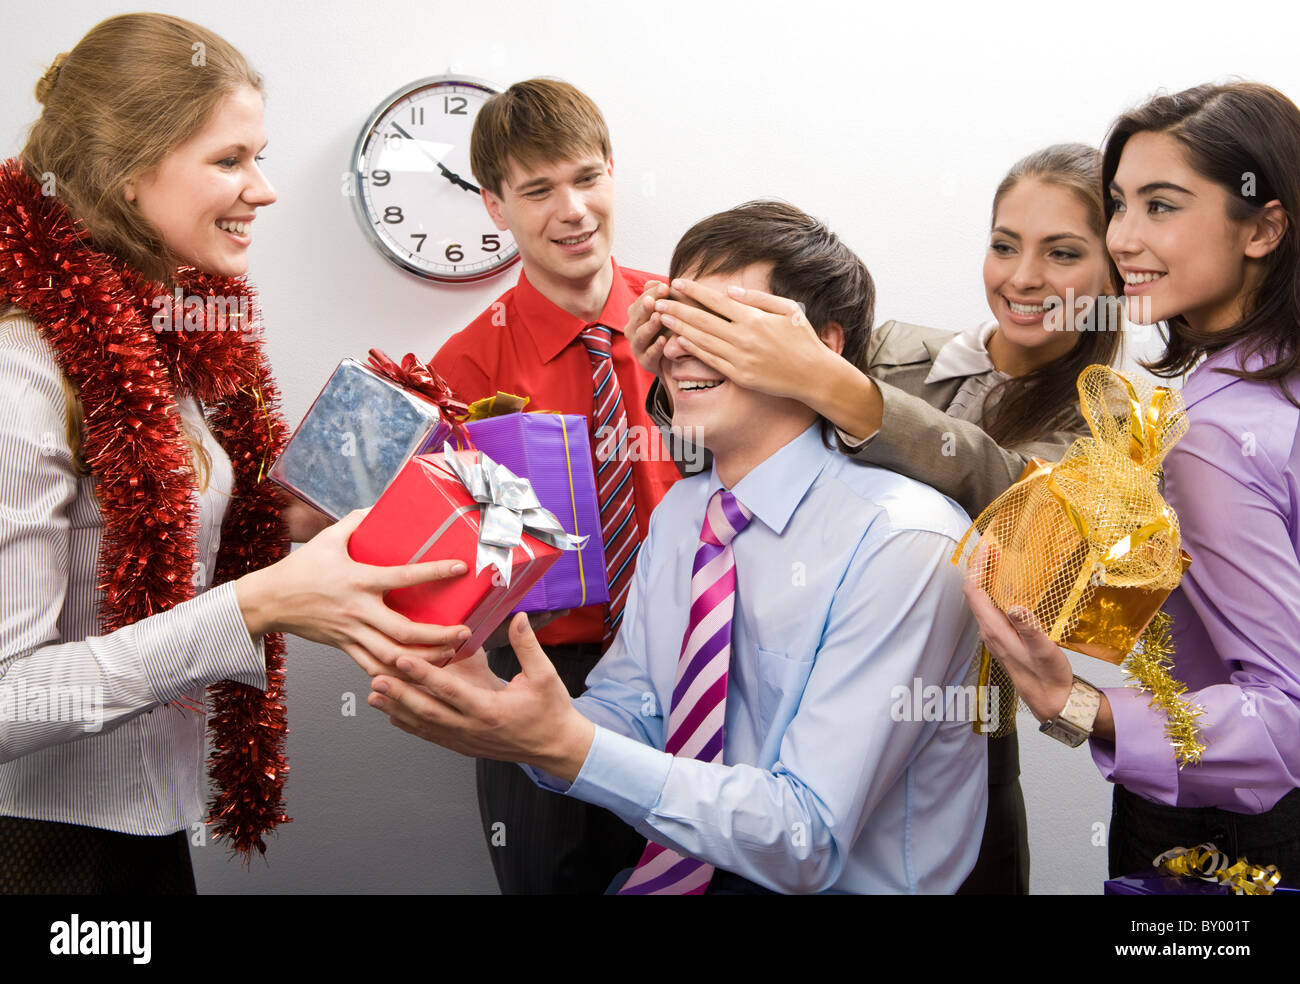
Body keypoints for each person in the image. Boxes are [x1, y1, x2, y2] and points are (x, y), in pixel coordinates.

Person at [371, 201, 988, 894]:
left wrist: (567, 747)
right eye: (672, 317)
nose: (677, 346)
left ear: (824, 347)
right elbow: (635, 706)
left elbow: (804, 837)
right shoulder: (683, 515)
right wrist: (515, 719)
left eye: (720, 322)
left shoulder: (904, 543)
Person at [0, 13, 467, 894]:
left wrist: (287, 514)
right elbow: (6, 698)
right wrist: (255, 606)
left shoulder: (170, 344)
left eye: (260, 155)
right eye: (229, 160)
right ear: (126, 174)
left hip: (152, 825)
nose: (266, 188)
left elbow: (178, 529)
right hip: (40, 856)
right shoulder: (19, 371)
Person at [631, 147, 1122, 893]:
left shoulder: (1115, 419)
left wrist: (839, 387)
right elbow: (754, 465)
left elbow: (1032, 529)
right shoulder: (896, 347)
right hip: (794, 728)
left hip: (956, 759)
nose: (1023, 277)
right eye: (1004, 244)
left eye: (1063, 253)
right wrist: (683, 381)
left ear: (1117, 269)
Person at [964, 81, 1300, 881]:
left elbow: (1284, 713)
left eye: (1162, 205)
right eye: (1119, 205)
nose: (1124, 237)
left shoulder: (1214, 435)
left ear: (1263, 227)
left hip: (1228, 842)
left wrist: (1078, 704)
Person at [429, 78, 682, 894]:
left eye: (586, 178)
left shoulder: (688, 318)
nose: (572, 209)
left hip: (704, 659)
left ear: (613, 172)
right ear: (495, 206)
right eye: (538, 190)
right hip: (543, 676)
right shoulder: (461, 369)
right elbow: (436, 551)